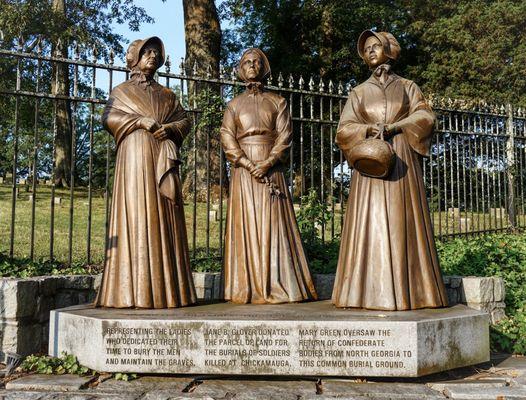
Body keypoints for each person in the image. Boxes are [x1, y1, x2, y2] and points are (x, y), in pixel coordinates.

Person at [332, 31, 448, 310]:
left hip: (402, 159)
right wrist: (369, 129)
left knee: (403, 222)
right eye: (366, 48)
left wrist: (396, 127)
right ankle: (363, 293)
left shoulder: (408, 86)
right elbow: (343, 130)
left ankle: (413, 292)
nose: (371, 51)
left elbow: (425, 116)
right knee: (368, 223)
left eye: (376, 46)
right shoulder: (358, 92)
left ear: (388, 50)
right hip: (370, 161)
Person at [95, 37, 197, 308]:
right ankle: (130, 289)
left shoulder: (167, 95)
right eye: (146, 52)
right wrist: (138, 121)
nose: (152, 56)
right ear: (135, 57)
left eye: (155, 53)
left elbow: (185, 120)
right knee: (138, 212)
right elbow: (108, 118)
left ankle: (168, 291)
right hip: (135, 157)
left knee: (163, 215)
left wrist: (171, 130)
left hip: (161, 156)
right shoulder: (121, 91)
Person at [220, 48, 317, 304]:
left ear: (264, 67)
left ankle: (278, 282)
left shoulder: (278, 101)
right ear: (241, 70)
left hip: (270, 165)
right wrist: (246, 163)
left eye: (256, 62)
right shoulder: (233, 105)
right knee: (247, 223)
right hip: (243, 170)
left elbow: (285, 135)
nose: (252, 65)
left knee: (273, 223)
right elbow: (227, 136)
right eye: (247, 62)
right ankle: (247, 286)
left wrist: (269, 162)